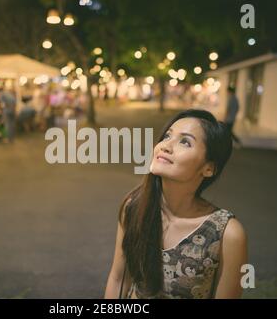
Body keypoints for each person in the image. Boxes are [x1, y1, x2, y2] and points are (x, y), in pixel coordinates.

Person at [104, 109, 247, 299]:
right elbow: (118, 279)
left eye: (185, 142)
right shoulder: (135, 208)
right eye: (167, 136)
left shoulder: (226, 233)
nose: (166, 146)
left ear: (209, 168)